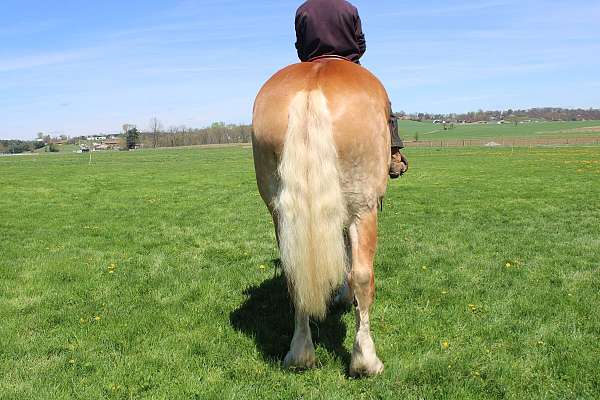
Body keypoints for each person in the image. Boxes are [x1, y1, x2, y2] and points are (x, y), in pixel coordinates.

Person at [295, 0, 408, 178]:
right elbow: (360, 44)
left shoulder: (303, 10)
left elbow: (300, 48)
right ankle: (393, 154)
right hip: (348, 63)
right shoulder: (349, 9)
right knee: (383, 101)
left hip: (311, 63)